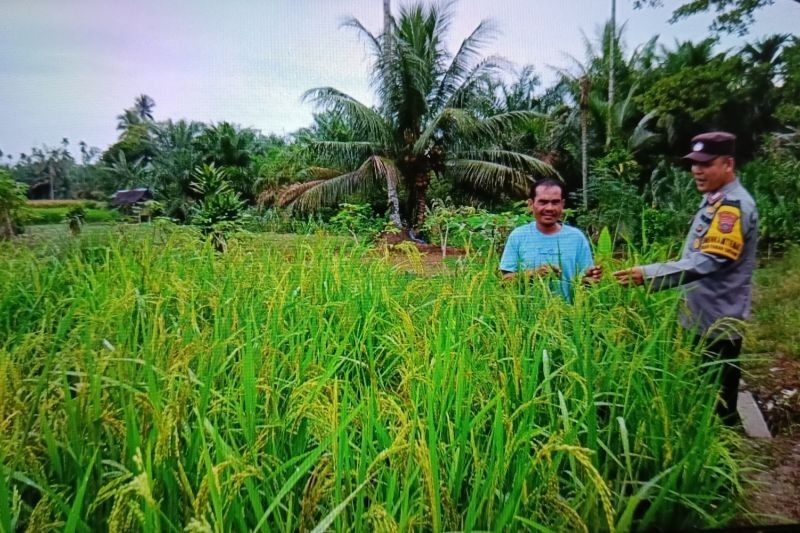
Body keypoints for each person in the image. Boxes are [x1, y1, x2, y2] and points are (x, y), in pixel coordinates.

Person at [613, 131, 758, 425]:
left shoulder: (732, 207)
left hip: (717, 321)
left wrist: (648, 274)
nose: (696, 170)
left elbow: (709, 260)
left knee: (717, 403)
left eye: (706, 164)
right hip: (699, 316)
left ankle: (723, 458)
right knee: (701, 394)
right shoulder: (715, 200)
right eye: (694, 163)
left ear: (728, 164)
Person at [500, 177, 602, 301]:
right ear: (531, 204)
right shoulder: (518, 236)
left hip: (569, 316)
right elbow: (505, 281)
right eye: (543, 202)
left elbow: (583, 282)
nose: (549, 208)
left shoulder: (576, 238)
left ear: (562, 204)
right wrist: (534, 274)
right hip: (526, 317)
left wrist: (589, 279)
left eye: (555, 202)